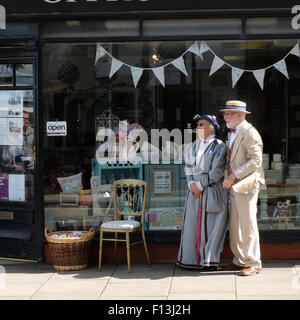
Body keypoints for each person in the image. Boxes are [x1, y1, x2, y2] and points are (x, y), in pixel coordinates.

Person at [177, 114, 228, 271]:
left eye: (201, 125)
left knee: (212, 227)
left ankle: (208, 261)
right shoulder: (192, 146)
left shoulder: (217, 145)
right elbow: (188, 168)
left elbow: (217, 172)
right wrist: (192, 184)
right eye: (197, 125)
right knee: (192, 225)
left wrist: (200, 184)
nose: (197, 127)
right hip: (195, 193)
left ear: (210, 128)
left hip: (211, 191)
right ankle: (191, 260)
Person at [221, 100, 265, 276]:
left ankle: (253, 262)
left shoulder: (250, 133)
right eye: (225, 113)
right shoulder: (234, 132)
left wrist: (233, 176)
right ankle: (240, 260)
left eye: (228, 114)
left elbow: (256, 161)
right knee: (236, 224)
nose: (224, 117)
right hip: (235, 184)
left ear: (239, 116)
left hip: (246, 184)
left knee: (248, 224)